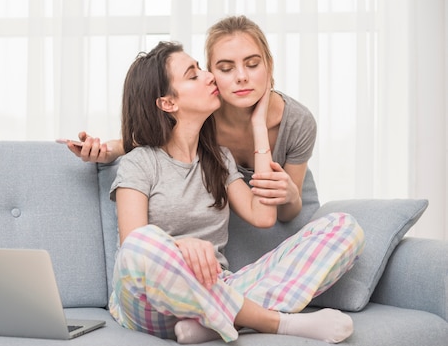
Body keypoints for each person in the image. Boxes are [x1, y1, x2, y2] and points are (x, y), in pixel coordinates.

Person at [108, 40, 365, 344]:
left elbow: (263, 215)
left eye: (202, 69)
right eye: (193, 75)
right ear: (168, 103)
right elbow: (132, 245)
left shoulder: (219, 158)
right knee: (141, 243)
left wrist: (259, 125)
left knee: (344, 228)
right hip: (148, 302)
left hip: (219, 285)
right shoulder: (139, 163)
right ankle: (274, 322)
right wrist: (181, 248)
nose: (209, 77)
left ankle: (211, 321)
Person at [64, 15, 315, 223]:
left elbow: (271, 217)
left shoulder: (225, 155)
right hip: (168, 271)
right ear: (214, 72)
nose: (241, 77)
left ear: (269, 66)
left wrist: (258, 126)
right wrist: (110, 152)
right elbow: (155, 136)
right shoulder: (200, 117)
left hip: (222, 273)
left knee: (343, 227)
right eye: (225, 69)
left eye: (252, 64)